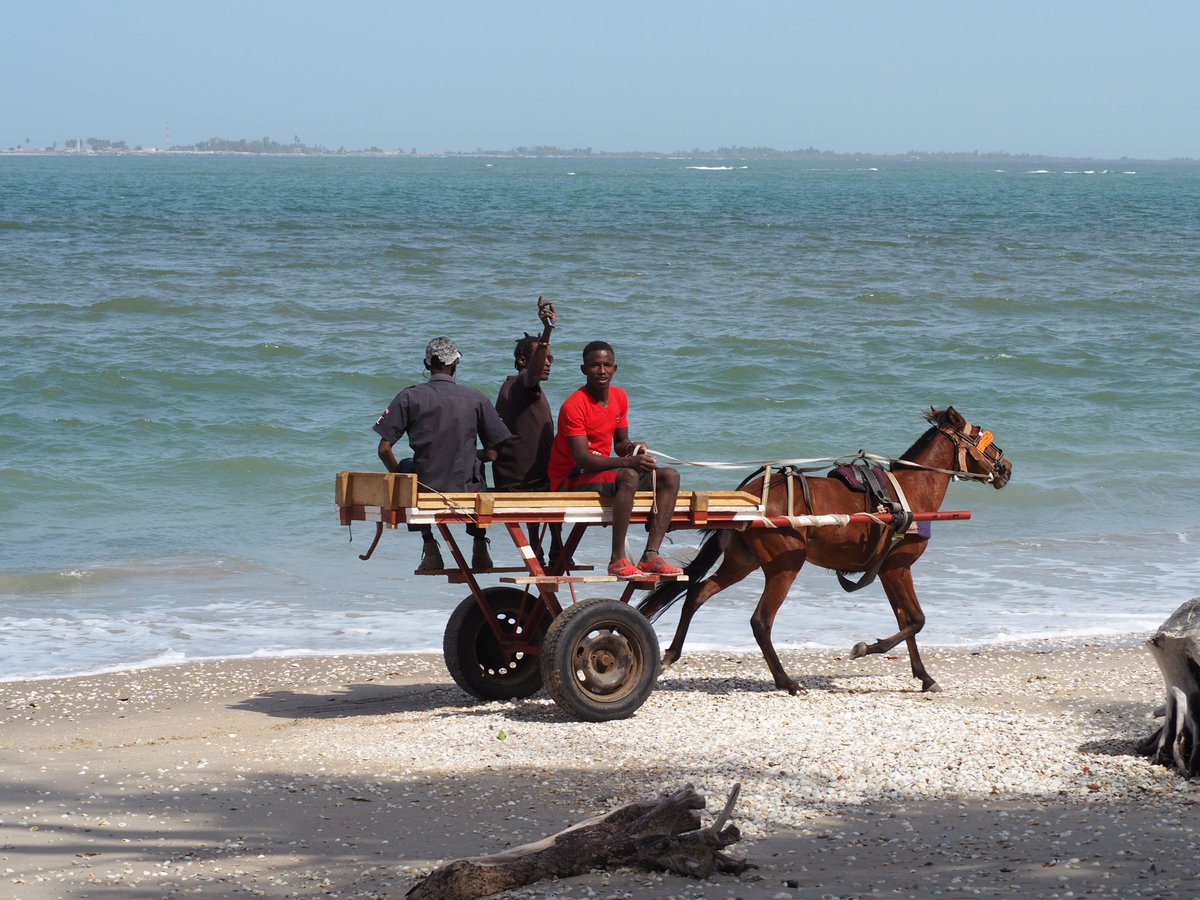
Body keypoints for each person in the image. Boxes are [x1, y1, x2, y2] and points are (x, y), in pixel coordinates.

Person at [374, 336, 512, 571]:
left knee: (408, 467)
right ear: (455, 364)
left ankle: (430, 547)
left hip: (426, 488)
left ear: (427, 365)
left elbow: (384, 448)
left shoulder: (409, 397)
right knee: (477, 464)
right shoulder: (476, 398)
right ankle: (479, 545)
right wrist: (476, 456)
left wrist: (400, 477)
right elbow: (494, 452)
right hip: (466, 487)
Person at [547, 341, 683, 577]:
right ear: (583, 369)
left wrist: (633, 447)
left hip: (600, 472)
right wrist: (629, 462)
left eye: (607, 365)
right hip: (569, 478)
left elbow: (620, 444)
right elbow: (582, 459)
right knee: (629, 475)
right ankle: (617, 559)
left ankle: (651, 555)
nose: (601, 371)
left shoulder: (619, 397)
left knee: (669, 476)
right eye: (595, 365)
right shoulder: (573, 405)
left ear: (615, 368)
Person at [493, 297, 564, 565]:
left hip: (522, 479)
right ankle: (554, 547)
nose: (547, 363)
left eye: (550, 359)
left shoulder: (514, 387)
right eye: (542, 357)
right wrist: (547, 332)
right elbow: (532, 373)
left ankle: (545, 547)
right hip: (526, 482)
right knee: (565, 482)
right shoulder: (523, 383)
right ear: (524, 360)